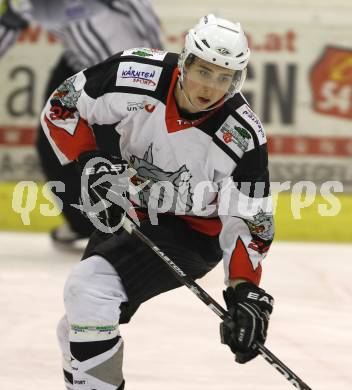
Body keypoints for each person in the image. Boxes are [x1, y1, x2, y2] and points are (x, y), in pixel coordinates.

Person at [41, 14, 275, 390]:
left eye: (224, 77)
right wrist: (90, 165)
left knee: (89, 290)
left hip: (193, 234)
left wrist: (245, 289)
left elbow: (250, 220)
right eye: (204, 71)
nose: (211, 87)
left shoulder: (240, 134)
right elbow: (63, 106)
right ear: (185, 62)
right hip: (129, 206)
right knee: (80, 324)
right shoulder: (134, 74)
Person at [0, 0, 162, 244]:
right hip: (77, 69)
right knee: (53, 143)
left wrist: (159, 69)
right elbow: (10, 25)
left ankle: (134, 225)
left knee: (119, 150)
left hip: (124, 77)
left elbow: (141, 14)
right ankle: (82, 223)